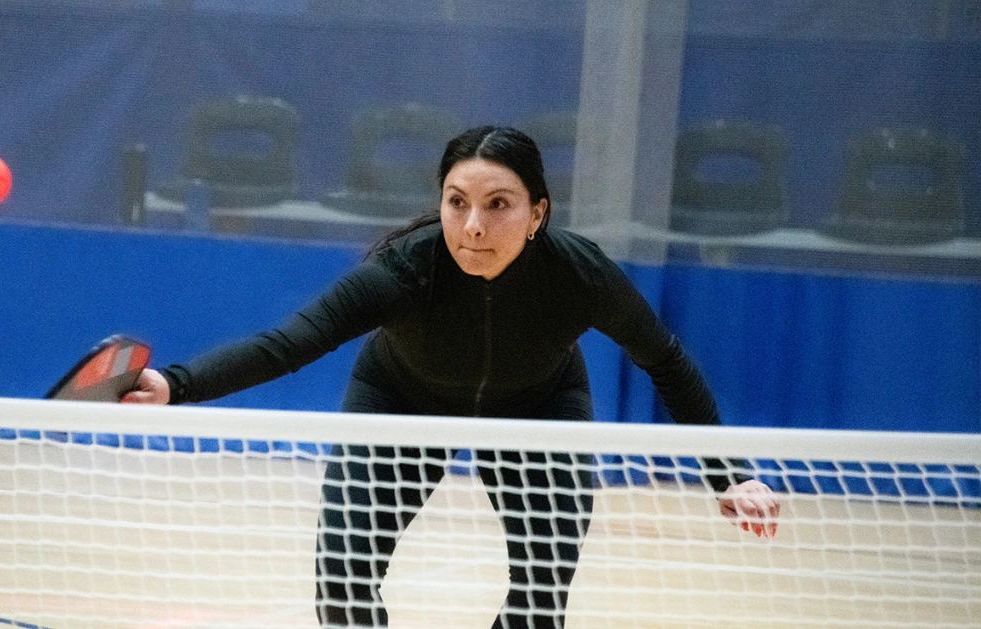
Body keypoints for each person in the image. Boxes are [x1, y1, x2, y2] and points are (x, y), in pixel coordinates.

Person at [123, 126, 781, 629]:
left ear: (538, 213)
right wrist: (175, 383)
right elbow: (289, 343)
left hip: (538, 410)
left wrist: (728, 473)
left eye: (499, 204)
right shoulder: (406, 272)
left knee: (541, 594)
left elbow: (664, 358)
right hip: (401, 403)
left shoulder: (578, 276)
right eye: (457, 201)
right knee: (343, 580)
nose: (474, 226)